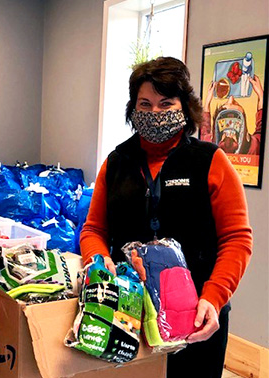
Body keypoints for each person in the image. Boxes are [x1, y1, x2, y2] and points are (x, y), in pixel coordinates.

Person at [80, 57, 252, 378]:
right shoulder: (116, 163)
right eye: (145, 103)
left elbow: (237, 239)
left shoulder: (210, 162)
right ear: (133, 109)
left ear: (184, 107)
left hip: (196, 315)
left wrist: (214, 297)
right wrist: (100, 266)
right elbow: (94, 230)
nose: (155, 113)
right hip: (126, 314)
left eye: (166, 103)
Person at [201, 75, 264, 155]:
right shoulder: (254, 146)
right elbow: (261, 128)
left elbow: (204, 129)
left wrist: (207, 103)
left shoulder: (207, 145)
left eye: (227, 103)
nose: (231, 98)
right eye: (236, 103)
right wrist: (261, 96)